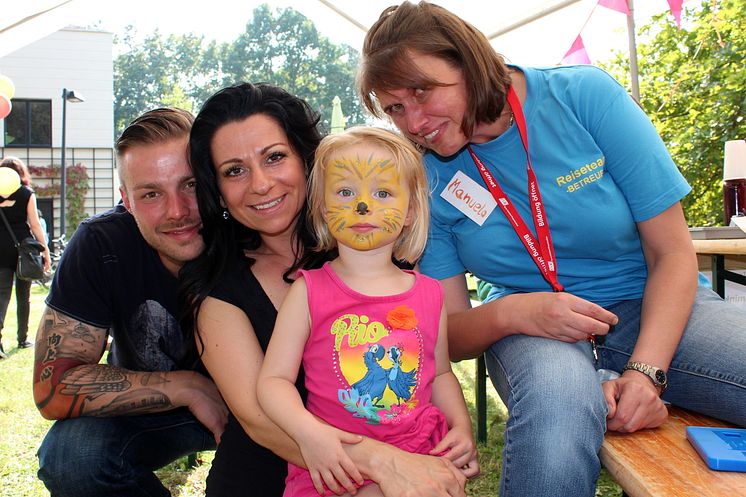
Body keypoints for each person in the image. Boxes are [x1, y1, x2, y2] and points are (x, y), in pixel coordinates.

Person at [357, 2, 746, 496]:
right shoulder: (425, 177)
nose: (413, 122)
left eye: (421, 91)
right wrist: (518, 313)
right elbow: (449, 333)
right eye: (394, 108)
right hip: (529, 330)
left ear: (469, 62)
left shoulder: (583, 95)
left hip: (650, 305)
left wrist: (646, 372)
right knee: (558, 404)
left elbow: (672, 253)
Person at [179, 82, 468, 497]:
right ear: (219, 191)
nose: (260, 184)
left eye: (275, 157)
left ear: (306, 164)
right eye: (235, 170)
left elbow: (435, 369)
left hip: (406, 453)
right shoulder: (223, 292)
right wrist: (388, 466)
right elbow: (263, 416)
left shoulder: (385, 258)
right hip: (274, 480)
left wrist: (455, 431)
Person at [257, 126, 478, 497]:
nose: (363, 205)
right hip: (337, 463)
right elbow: (273, 382)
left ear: (410, 211)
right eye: (345, 192)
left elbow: (440, 374)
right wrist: (310, 433)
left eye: (383, 192)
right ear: (324, 208)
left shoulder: (430, 293)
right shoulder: (307, 291)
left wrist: (460, 426)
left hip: (419, 451)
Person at [33, 107, 228, 497]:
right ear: (126, 200)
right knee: (73, 457)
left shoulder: (250, 232)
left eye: (189, 185)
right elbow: (52, 386)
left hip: (261, 405)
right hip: (148, 407)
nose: (178, 211)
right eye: (151, 193)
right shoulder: (100, 244)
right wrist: (187, 386)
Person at [0, 157, 50, 357]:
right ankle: (23, 338)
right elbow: (35, 224)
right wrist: (44, 250)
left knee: (1, 296)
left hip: (0, 250)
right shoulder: (26, 194)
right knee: (24, 296)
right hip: (24, 249)